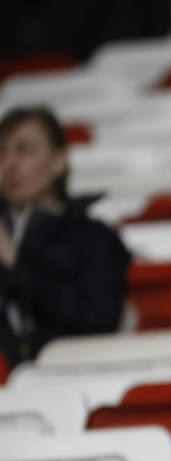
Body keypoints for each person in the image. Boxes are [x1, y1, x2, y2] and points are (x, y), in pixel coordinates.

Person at [0, 104, 130, 368]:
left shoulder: (93, 237)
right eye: (1, 153)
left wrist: (16, 262)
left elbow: (98, 320)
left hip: (70, 379)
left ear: (59, 161)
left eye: (24, 150)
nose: (10, 164)